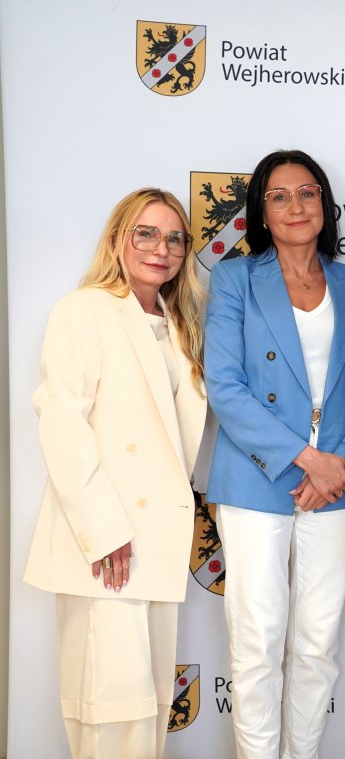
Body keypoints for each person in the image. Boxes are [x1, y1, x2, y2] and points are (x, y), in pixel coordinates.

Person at [24, 188, 207, 758]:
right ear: (116, 240)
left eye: (175, 238)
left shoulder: (178, 324)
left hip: (157, 543)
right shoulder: (85, 309)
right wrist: (105, 530)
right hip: (107, 545)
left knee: (147, 711)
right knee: (109, 710)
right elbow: (62, 423)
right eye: (145, 233)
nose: (161, 248)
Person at [205, 149, 345, 759]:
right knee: (257, 642)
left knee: (317, 645)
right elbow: (225, 385)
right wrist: (308, 459)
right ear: (261, 211)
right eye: (279, 196)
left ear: (324, 203)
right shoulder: (234, 279)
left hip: (338, 483)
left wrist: (339, 464)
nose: (296, 206)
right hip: (258, 478)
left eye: (307, 192)